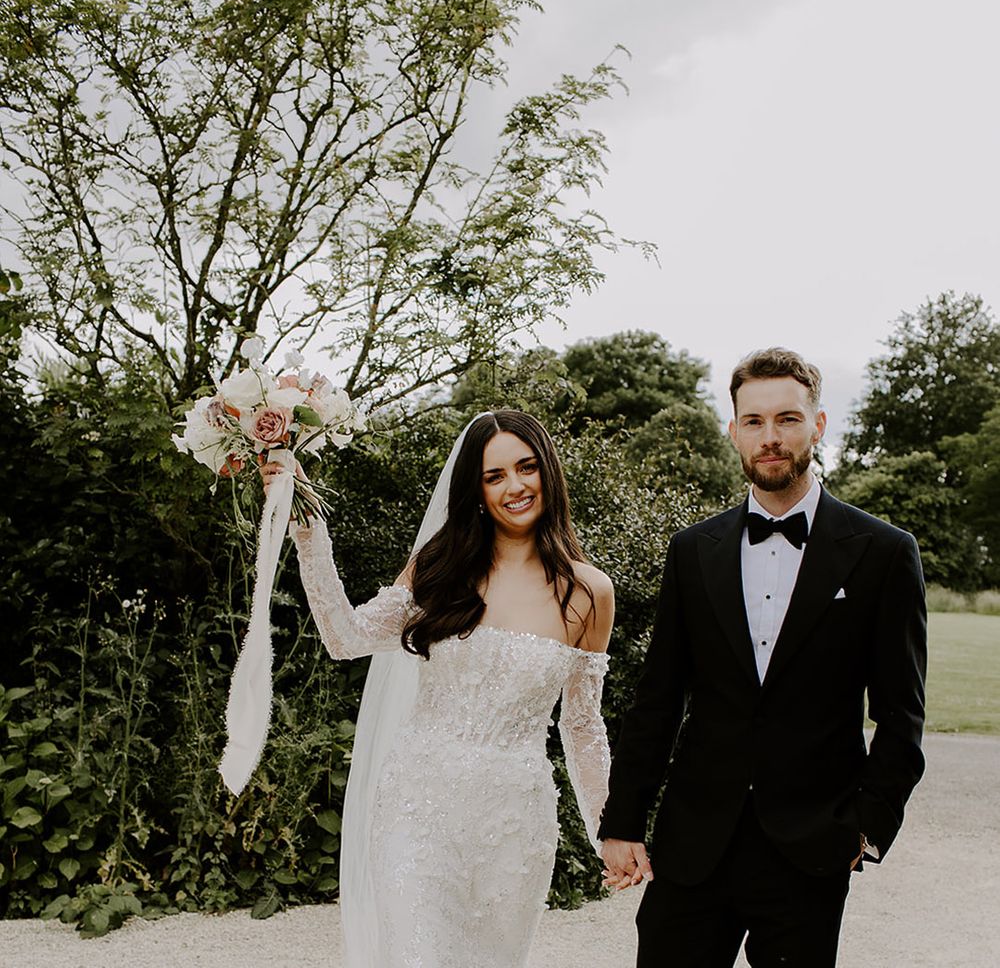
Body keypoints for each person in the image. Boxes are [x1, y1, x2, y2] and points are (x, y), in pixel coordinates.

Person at [599, 347, 927, 968]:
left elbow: (902, 716)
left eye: (787, 419)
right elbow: (658, 699)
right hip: (694, 844)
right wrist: (623, 820)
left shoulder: (884, 553)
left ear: (819, 425)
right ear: (734, 431)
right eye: (754, 421)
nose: (770, 437)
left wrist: (865, 825)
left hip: (811, 849)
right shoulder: (694, 550)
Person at [262, 410, 614, 968]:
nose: (515, 486)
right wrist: (309, 529)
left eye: (526, 467)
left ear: (548, 471)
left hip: (514, 823)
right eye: (493, 475)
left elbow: (581, 726)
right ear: (474, 489)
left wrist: (607, 832)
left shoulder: (589, 592)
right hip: (417, 808)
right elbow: (344, 637)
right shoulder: (438, 569)